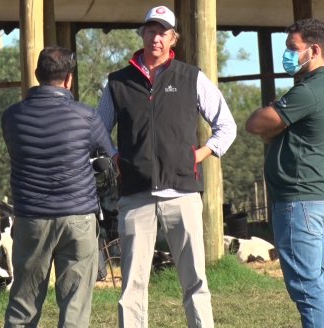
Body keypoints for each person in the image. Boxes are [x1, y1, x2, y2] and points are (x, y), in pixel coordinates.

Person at [97, 5, 237, 328]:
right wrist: (117, 156)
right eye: (150, 30)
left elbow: (226, 126)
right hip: (135, 196)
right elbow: (97, 130)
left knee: (195, 280)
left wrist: (199, 155)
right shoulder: (118, 83)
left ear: (173, 39)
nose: (155, 37)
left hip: (182, 193)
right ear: (142, 34)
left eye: (163, 32)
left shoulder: (191, 77)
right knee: (132, 285)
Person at [245, 18, 324, 328]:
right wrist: (277, 122)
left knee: (307, 288)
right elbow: (269, 129)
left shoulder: (310, 91)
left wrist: (275, 114)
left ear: (313, 50)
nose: (287, 55)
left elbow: (256, 123)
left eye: (293, 49)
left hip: (299, 200)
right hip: (315, 198)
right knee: (321, 284)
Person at [2, 47, 115, 328]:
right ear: (69, 80)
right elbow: (108, 155)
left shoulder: (11, 117)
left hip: (31, 220)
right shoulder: (87, 116)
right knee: (75, 308)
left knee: (23, 305)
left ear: (38, 75)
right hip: (78, 218)